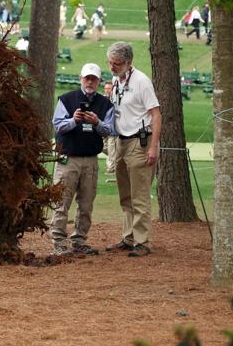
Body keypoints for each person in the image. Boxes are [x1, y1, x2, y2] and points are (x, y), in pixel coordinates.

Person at [50, 63, 114, 256]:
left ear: (98, 81)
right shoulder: (67, 99)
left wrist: (96, 122)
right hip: (68, 159)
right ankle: (59, 240)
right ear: (80, 78)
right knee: (62, 201)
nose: (90, 82)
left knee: (86, 203)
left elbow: (110, 130)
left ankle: (79, 240)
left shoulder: (105, 104)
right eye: (87, 78)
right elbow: (58, 126)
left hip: (91, 160)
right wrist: (74, 120)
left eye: (93, 79)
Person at [105, 42, 161, 257]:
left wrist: (153, 147)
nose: (112, 66)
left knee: (139, 195)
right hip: (120, 141)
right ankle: (128, 237)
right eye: (110, 62)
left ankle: (142, 241)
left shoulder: (142, 82)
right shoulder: (116, 80)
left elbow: (156, 114)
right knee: (125, 195)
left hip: (140, 141)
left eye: (117, 63)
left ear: (129, 63)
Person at [103, 81, 117, 178]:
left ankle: (111, 168)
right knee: (102, 147)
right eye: (106, 88)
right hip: (102, 129)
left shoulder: (115, 100)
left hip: (113, 130)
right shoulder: (102, 100)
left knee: (111, 149)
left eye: (109, 88)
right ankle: (117, 159)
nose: (107, 90)